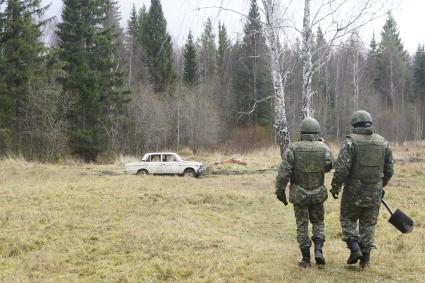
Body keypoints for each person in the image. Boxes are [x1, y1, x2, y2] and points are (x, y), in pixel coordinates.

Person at [330, 110, 394, 268]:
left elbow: (341, 168)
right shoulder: (383, 142)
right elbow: (390, 168)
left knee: (347, 219)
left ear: (354, 124)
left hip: (353, 193)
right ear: (370, 123)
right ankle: (365, 260)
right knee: (368, 224)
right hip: (374, 193)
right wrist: (381, 185)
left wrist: (335, 187)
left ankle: (354, 247)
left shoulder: (350, 143)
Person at [275, 117, 333, 268]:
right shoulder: (324, 148)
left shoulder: (293, 148)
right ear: (316, 131)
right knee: (318, 222)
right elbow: (328, 167)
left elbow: (283, 173)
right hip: (318, 193)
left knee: (302, 224)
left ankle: (306, 258)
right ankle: (319, 250)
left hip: (299, 194)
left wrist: (280, 191)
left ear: (302, 131)